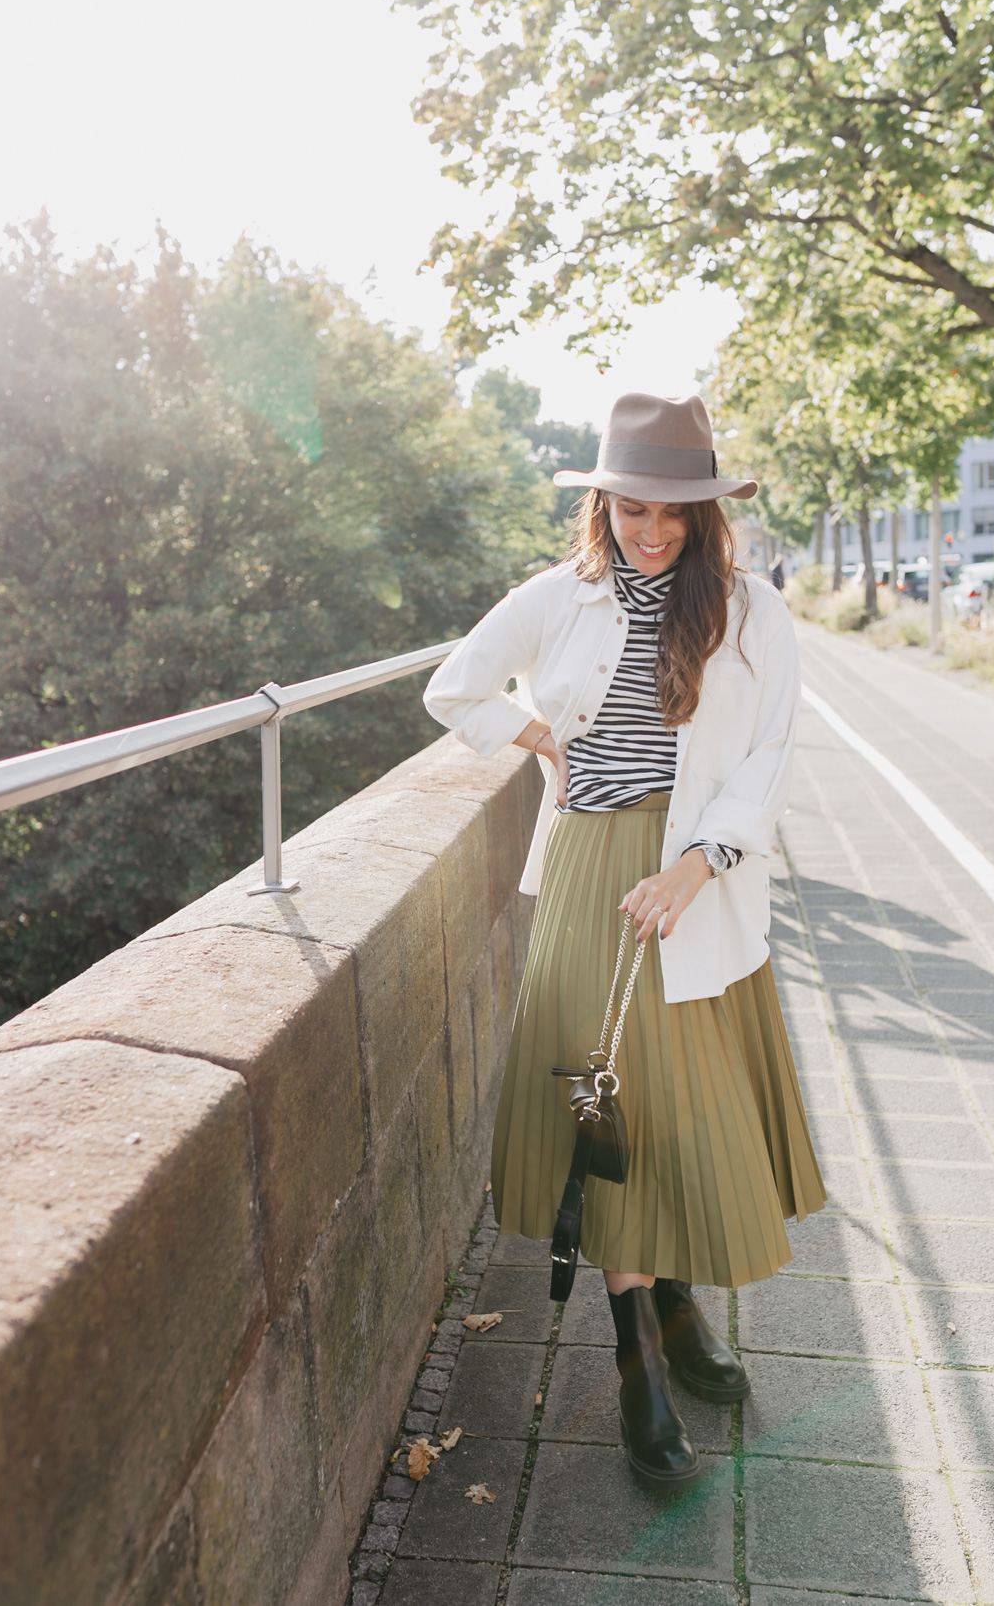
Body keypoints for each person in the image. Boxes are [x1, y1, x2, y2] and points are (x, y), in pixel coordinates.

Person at [424, 392, 826, 1490]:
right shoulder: (557, 598)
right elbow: (451, 687)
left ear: (707, 513)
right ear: (602, 503)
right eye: (633, 509)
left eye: (675, 513)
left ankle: (681, 1311)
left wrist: (698, 865)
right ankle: (639, 1364)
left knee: (684, 1113)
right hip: (593, 876)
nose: (653, 532)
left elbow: (772, 757)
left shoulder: (750, 612)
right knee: (610, 1116)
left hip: (696, 879)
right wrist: (539, 735)